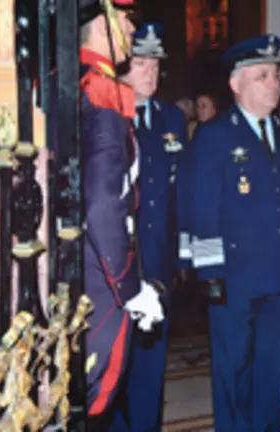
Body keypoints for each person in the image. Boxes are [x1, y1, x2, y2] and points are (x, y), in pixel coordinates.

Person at [181, 34, 280, 431]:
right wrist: (209, 272)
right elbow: (202, 207)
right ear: (235, 84)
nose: (274, 85)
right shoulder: (215, 135)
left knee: (272, 366)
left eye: (276, 76)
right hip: (233, 276)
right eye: (263, 76)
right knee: (233, 366)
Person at [77, 0, 164, 427]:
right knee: (96, 396)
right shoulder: (102, 91)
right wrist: (129, 288)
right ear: (102, 21)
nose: (131, 29)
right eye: (125, 19)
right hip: (101, 276)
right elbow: (102, 204)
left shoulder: (69, 80)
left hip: (80, 264)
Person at [110, 22, 186, 432]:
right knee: (114, 365)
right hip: (117, 264)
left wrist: (182, 256)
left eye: (155, 65)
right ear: (122, 67)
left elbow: (180, 190)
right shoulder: (106, 115)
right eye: (141, 63)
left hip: (158, 260)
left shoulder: (173, 118)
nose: (150, 73)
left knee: (151, 365)